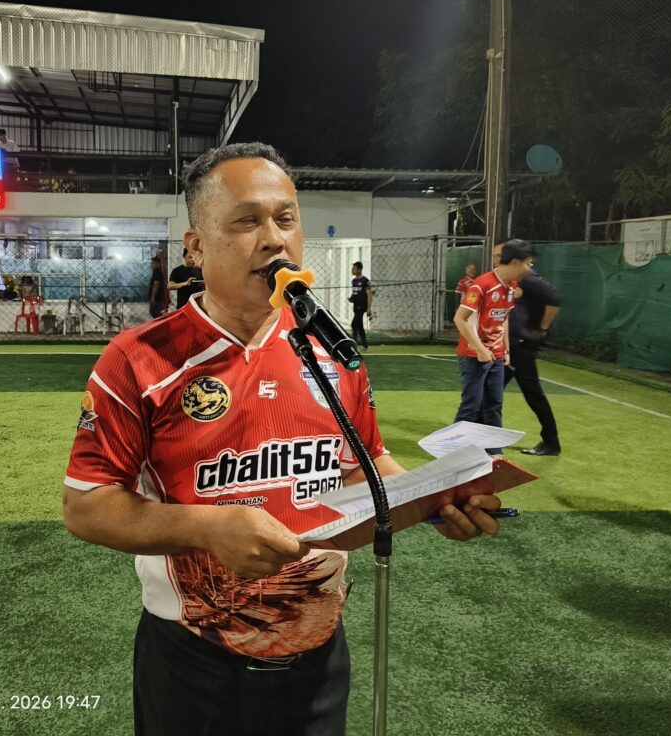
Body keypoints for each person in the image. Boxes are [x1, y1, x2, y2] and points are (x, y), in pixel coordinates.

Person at [62, 143, 502, 736]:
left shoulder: (332, 349)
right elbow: (87, 506)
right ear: (196, 247)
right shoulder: (138, 359)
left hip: (319, 660)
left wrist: (435, 502)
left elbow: (366, 460)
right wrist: (207, 528)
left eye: (286, 219)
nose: (274, 239)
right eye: (246, 221)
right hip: (194, 664)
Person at [452, 239, 534, 455]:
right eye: (528, 263)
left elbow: (503, 318)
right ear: (515, 262)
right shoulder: (481, 285)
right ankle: (452, 450)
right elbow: (460, 318)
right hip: (473, 356)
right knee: (472, 405)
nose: (530, 268)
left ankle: (494, 452)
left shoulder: (511, 286)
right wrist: (480, 349)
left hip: (496, 355)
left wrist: (505, 350)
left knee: (494, 404)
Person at [497, 241, 563, 457]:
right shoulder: (513, 279)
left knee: (531, 394)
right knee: (492, 391)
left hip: (522, 346)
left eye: (499, 255)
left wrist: (542, 328)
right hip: (513, 345)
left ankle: (551, 442)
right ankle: (482, 436)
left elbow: (554, 299)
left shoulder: (529, 278)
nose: (497, 259)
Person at [349, 261, 372, 350]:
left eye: (354, 269)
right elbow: (355, 293)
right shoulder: (354, 281)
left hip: (362, 306)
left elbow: (369, 294)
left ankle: (356, 345)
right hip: (356, 306)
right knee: (357, 325)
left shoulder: (365, 280)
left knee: (355, 324)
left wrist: (369, 308)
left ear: (359, 270)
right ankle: (362, 345)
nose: (352, 270)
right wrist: (351, 298)